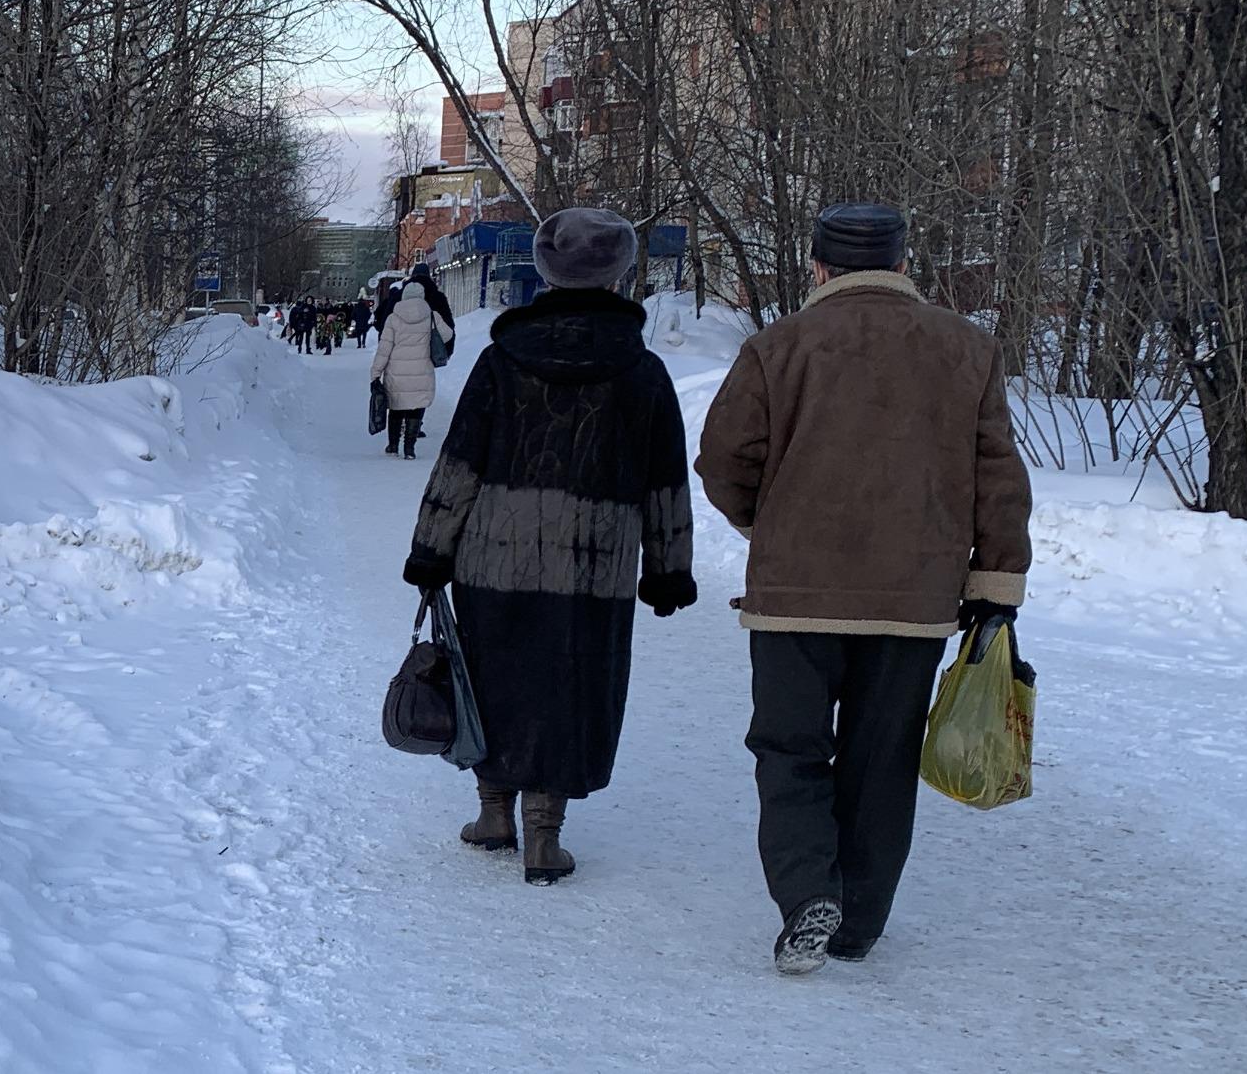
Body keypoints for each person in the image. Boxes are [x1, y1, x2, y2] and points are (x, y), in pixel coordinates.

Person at [695, 202, 1032, 976]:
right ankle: (860, 919)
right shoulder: (967, 350)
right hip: (913, 602)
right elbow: (1000, 482)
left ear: (817, 266)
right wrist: (994, 585)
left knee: (789, 747)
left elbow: (721, 461)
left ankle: (810, 889)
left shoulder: (778, 347)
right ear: (903, 263)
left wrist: (768, 525)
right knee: (882, 757)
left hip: (794, 597)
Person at [402, 208, 697, 885]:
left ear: (545, 268)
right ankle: (544, 832)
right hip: (596, 562)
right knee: (574, 680)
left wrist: (431, 550)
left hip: (494, 552)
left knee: (493, 671)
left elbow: (459, 465)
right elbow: (665, 481)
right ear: (619, 272)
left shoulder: (503, 359)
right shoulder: (642, 372)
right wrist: (668, 570)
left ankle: (493, 811)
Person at [371, 282, 450, 457]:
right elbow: (447, 334)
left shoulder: (393, 318)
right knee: (416, 407)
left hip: (396, 371)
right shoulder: (431, 316)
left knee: (396, 408)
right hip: (422, 370)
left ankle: (393, 445)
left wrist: (375, 372)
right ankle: (409, 449)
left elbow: (384, 349)